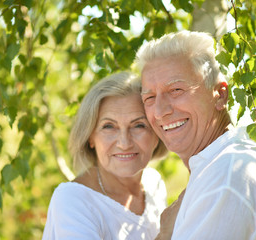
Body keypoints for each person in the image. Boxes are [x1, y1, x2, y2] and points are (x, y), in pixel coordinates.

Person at [135, 30, 256, 239]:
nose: (159, 111)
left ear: (220, 95)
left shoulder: (229, 172)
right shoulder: (217, 165)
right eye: (149, 97)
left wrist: (165, 233)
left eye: (176, 90)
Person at [42, 72, 168, 239]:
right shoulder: (73, 200)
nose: (124, 143)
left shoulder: (154, 184)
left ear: (156, 135)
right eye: (109, 126)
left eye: (138, 125)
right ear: (91, 137)